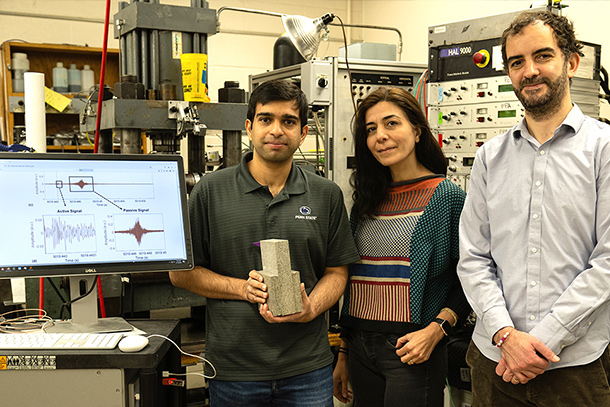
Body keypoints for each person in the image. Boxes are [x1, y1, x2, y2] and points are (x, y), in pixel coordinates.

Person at [169, 79, 360, 407]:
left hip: (308, 369)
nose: (276, 130)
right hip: (234, 370)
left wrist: (311, 307)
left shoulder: (326, 194)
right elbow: (181, 273)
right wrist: (241, 288)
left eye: (288, 121)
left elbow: (337, 271)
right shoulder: (209, 192)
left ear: (302, 133)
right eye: (265, 119)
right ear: (249, 127)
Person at [457, 10, 610, 406]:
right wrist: (506, 335)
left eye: (542, 56)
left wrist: (541, 342)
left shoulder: (604, 150)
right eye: (516, 62)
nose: (529, 71)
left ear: (571, 62)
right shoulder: (490, 156)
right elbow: (473, 257)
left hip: (577, 365)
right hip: (495, 360)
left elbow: (608, 262)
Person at [333, 87, 470, 407]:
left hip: (411, 349)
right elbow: (356, 281)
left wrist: (437, 330)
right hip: (360, 350)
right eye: (371, 129)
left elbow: (471, 278)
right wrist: (344, 350)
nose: (380, 136)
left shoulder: (447, 197)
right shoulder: (366, 201)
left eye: (391, 123)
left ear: (418, 130)